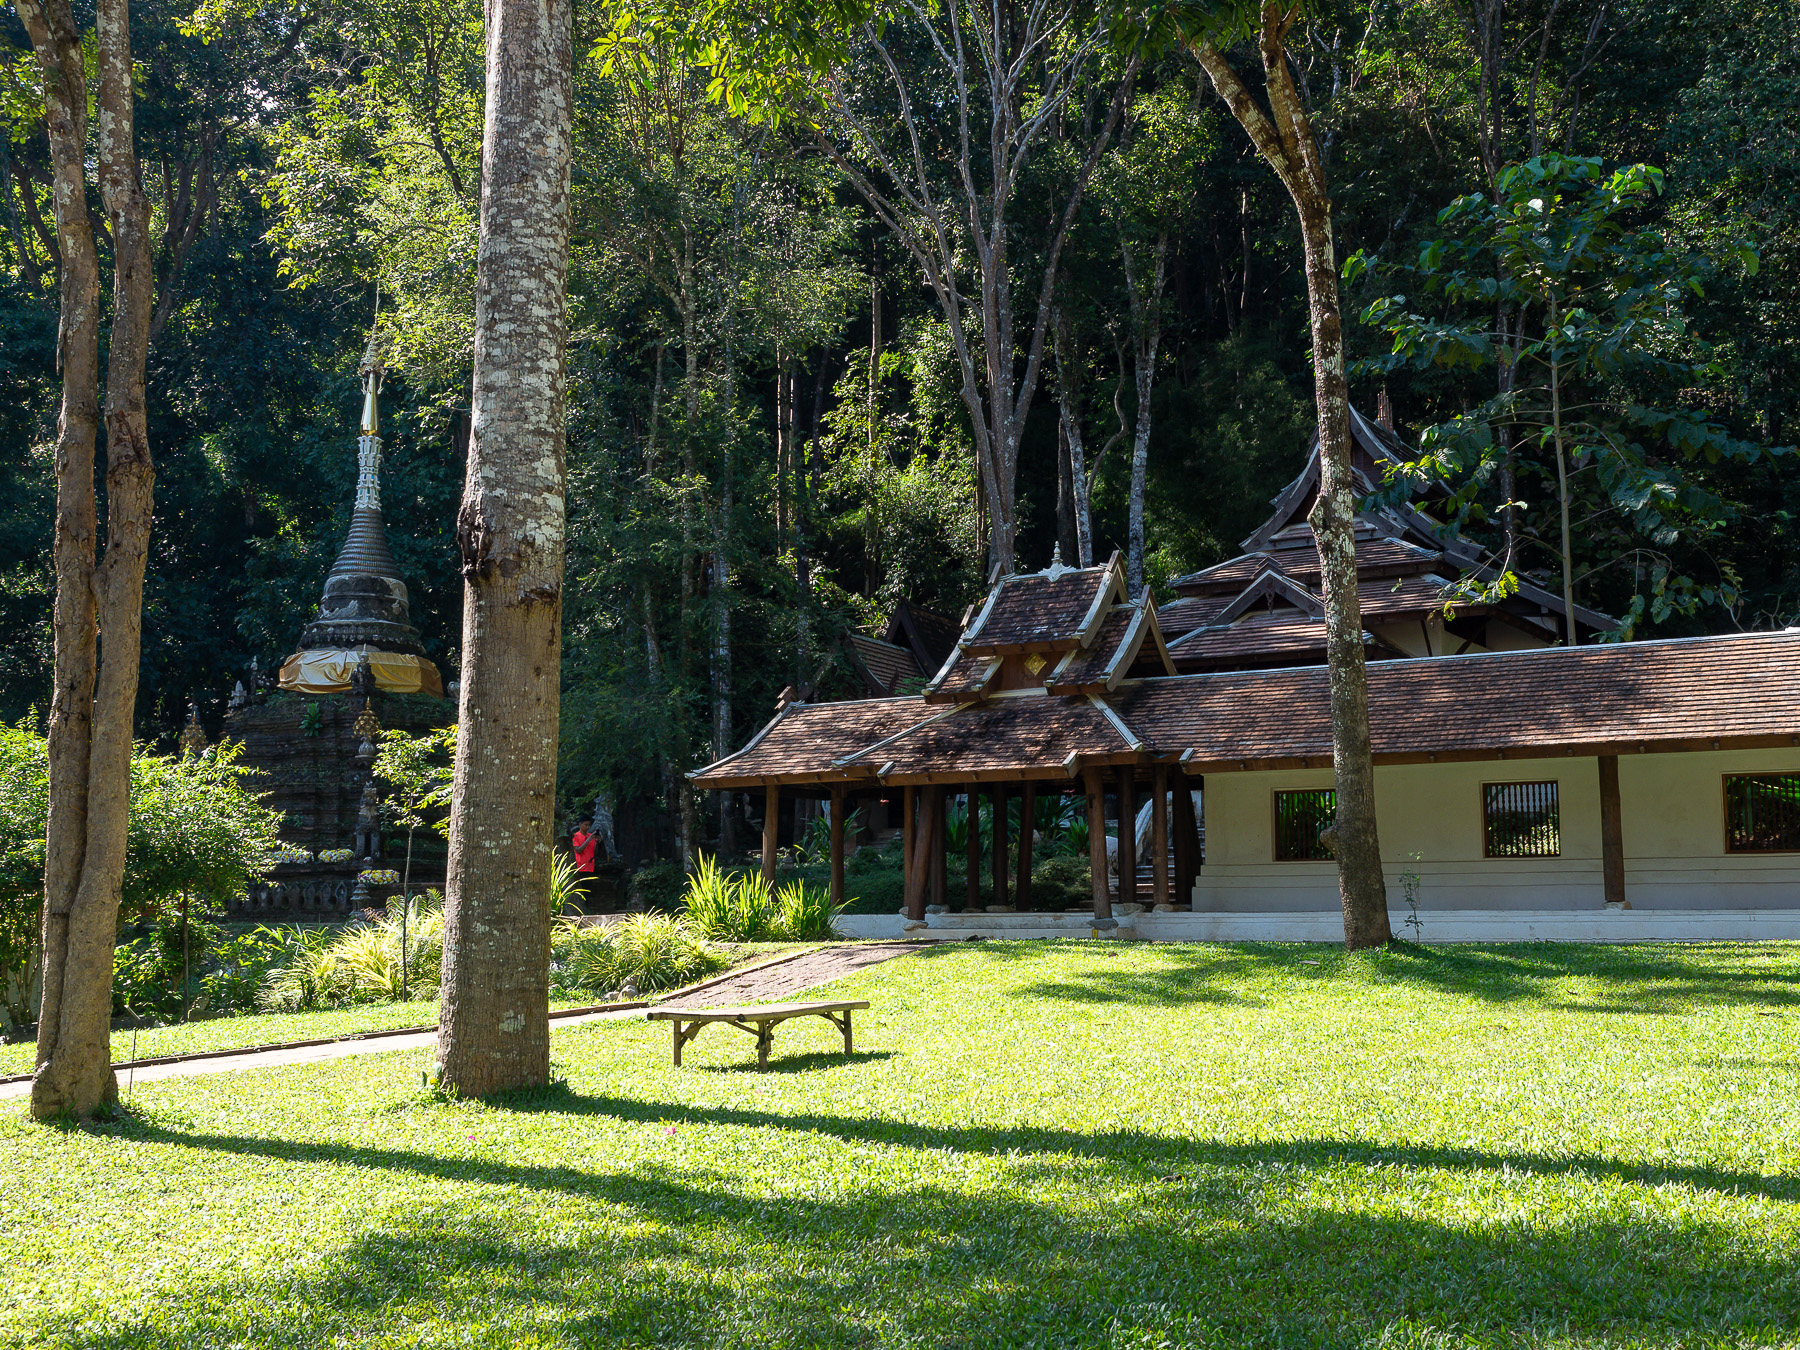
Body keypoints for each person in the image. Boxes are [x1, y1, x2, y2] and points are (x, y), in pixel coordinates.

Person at [569, 818, 599, 911]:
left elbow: (594, 852)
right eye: (585, 825)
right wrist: (588, 840)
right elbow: (578, 850)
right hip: (580, 867)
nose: (587, 827)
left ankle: (588, 909)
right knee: (581, 890)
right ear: (580, 824)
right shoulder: (575, 836)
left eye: (589, 825)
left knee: (589, 890)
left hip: (590, 866)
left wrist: (596, 842)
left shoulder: (591, 836)